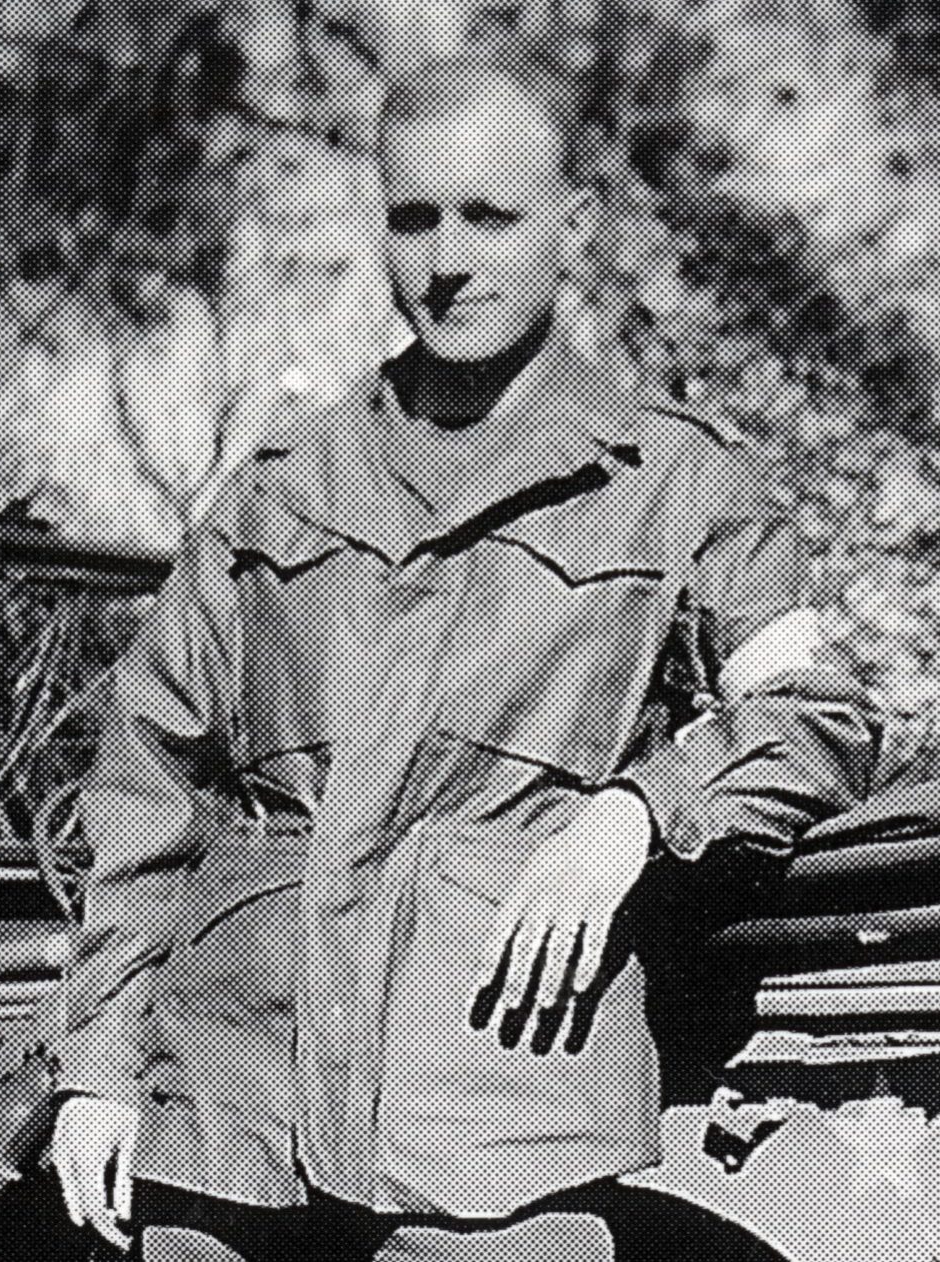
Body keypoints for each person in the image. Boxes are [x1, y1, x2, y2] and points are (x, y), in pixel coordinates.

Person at [47, 51, 877, 1262]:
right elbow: (148, 778)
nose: (446, 259)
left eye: (489, 216)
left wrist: (637, 812)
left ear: (571, 227)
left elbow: (818, 716)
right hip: (232, 1121)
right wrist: (99, 1064)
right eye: (414, 218)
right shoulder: (280, 490)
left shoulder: (672, 483)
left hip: (495, 1120)